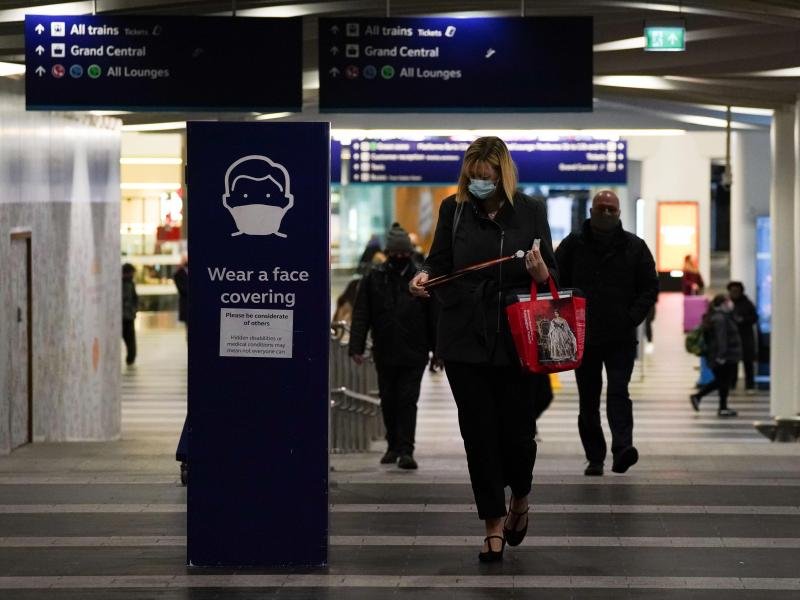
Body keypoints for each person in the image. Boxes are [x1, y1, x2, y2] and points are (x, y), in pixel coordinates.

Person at [409, 136, 557, 563]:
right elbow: (438, 261)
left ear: (503, 175)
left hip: (517, 339)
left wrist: (542, 269)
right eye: (473, 177)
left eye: (486, 178)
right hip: (463, 337)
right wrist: (423, 278)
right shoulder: (453, 210)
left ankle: (521, 498)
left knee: (518, 434)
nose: (478, 185)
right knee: (478, 436)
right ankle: (492, 524)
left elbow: (552, 276)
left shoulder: (530, 211)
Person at [555, 190, 658, 477]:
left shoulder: (635, 247)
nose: (607, 214)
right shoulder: (573, 245)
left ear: (620, 213)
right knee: (588, 399)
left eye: (612, 209)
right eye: (602, 208)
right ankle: (595, 457)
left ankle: (623, 449)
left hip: (620, 337)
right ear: (591, 211)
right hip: (583, 337)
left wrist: (630, 318)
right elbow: (555, 281)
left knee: (618, 392)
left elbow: (649, 287)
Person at [349, 223, 435, 471]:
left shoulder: (421, 278)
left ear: (409, 252)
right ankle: (393, 446)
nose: (399, 257)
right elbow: (362, 313)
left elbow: (434, 315)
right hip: (384, 349)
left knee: (408, 400)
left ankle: (406, 450)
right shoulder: (373, 277)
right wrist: (356, 346)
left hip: (414, 351)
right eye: (395, 253)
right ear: (388, 252)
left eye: (403, 253)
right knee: (388, 399)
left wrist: (438, 351)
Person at [690, 294, 742, 417]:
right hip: (722, 356)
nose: (730, 303)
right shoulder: (720, 318)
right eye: (727, 301)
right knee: (722, 382)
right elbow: (721, 338)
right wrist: (721, 356)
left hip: (724, 355)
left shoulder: (721, 316)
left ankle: (720, 406)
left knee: (723, 382)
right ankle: (700, 397)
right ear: (722, 304)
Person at [726, 281, 758, 393]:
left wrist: (743, 320)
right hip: (731, 338)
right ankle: (731, 384)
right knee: (732, 363)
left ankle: (750, 385)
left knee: (748, 362)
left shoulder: (747, 304)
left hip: (745, 337)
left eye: (736, 291)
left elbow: (754, 318)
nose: (734, 293)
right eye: (732, 291)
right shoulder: (727, 304)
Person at [121, 263, 138, 366]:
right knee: (130, 340)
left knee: (130, 340)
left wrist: (134, 310)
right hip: (125, 317)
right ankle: (130, 359)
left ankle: (130, 359)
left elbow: (135, 298)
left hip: (127, 317)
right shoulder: (126, 283)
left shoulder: (130, 283)